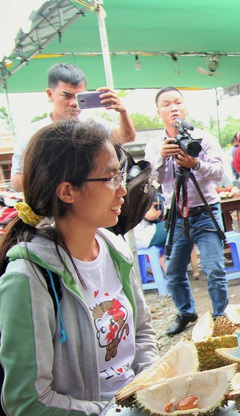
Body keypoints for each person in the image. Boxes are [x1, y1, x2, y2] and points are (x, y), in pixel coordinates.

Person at [0, 120, 158, 416]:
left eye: (121, 174)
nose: (123, 189)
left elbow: (142, 332)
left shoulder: (113, 249)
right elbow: (26, 400)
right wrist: (113, 415)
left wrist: (152, 386)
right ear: (67, 191)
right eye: (110, 178)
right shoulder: (29, 278)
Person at [144, 87, 228, 335]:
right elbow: (149, 179)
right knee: (173, 271)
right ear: (158, 111)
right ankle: (186, 312)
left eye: (178, 102)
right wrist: (160, 158)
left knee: (214, 269)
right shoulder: (155, 145)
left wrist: (196, 164)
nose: (173, 108)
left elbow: (220, 173)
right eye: (167, 104)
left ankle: (220, 317)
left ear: (185, 107)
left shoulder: (204, 138)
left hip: (206, 211)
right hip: (177, 216)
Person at [10, 63, 136, 192]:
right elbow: (17, 182)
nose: (74, 103)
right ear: (50, 94)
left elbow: (126, 136)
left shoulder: (92, 125)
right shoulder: (32, 133)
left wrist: (122, 112)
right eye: (66, 96)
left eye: (80, 97)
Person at [133, 190, 167, 271]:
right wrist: (158, 209)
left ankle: (161, 261)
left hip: (142, 235)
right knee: (177, 225)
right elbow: (151, 215)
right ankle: (164, 259)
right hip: (143, 236)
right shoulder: (137, 194)